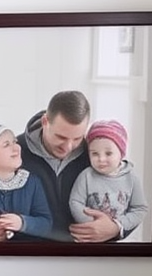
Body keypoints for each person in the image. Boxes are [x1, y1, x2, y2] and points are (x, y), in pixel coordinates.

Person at [16, 90, 121, 243]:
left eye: (77, 138)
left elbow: (132, 202)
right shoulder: (13, 151)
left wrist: (115, 228)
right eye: (61, 137)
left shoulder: (96, 154)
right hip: (27, 256)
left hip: (84, 258)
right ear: (45, 122)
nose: (68, 147)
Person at [68, 119, 149, 239]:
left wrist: (116, 225)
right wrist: (93, 224)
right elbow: (75, 202)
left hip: (119, 245)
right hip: (88, 239)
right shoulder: (86, 176)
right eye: (94, 153)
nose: (101, 159)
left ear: (121, 153)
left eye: (108, 153)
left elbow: (140, 208)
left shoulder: (131, 178)